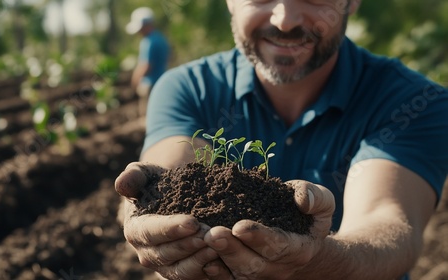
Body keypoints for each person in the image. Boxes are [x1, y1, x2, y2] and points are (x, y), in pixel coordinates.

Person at [115, 0, 448, 279]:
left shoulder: (413, 102)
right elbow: (170, 171)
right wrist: (147, 204)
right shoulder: (187, 88)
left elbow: (387, 225)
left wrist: (311, 258)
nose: (285, 20)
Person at [126, 7, 170, 115]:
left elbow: (145, 66)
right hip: (163, 81)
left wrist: (134, 82)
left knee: (147, 116)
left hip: (150, 85)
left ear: (145, 26)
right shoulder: (161, 38)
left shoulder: (148, 42)